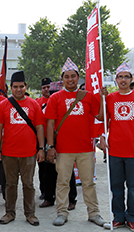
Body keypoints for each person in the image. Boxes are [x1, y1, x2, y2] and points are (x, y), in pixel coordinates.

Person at [45, 57, 105, 227]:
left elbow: (100, 116)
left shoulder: (88, 96)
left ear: (78, 78)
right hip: (63, 149)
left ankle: (94, 213)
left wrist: (102, 99)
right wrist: (51, 146)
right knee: (63, 183)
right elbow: (50, 123)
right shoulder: (55, 98)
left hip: (86, 148)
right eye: (66, 76)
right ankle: (61, 213)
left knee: (89, 184)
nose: (70, 79)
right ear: (62, 79)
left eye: (73, 76)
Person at [0, 71, 45, 227]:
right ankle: (9, 212)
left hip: (29, 153)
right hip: (8, 153)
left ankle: (30, 214)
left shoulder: (33, 104)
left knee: (28, 184)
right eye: (15, 87)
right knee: (10, 185)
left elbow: (40, 128)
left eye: (21, 86)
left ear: (25, 87)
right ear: (11, 88)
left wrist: (41, 148)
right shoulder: (4, 105)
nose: (18, 89)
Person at [99, 62, 134, 231]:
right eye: (120, 77)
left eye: (126, 77)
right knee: (116, 186)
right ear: (116, 80)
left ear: (131, 79)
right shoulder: (110, 98)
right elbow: (103, 120)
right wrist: (102, 137)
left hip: (133, 150)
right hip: (115, 150)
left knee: (133, 187)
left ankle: (132, 216)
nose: (123, 80)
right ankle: (118, 217)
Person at [39, 81, 78, 210]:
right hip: (48, 142)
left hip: (64, 141)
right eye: (51, 94)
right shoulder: (44, 106)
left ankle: (71, 199)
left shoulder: (66, 106)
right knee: (48, 172)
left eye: (55, 93)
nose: (53, 95)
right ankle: (49, 197)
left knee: (68, 172)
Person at [36, 77, 52, 200]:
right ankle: (44, 191)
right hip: (41, 139)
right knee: (42, 168)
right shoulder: (37, 102)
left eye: (48, 87)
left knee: (54, 168)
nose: (46, 89)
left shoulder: (56, 100)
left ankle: (54, 192)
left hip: (53, 138)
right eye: (44, 88)